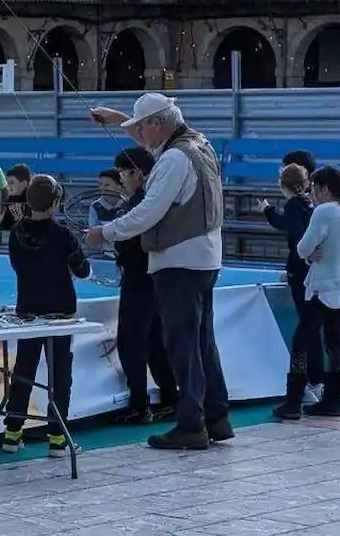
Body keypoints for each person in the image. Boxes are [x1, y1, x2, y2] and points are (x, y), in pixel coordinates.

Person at [87, 93, 233, 451]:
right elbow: (157, 135)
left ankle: (191, 424)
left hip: (178, 263)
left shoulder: (172, 159)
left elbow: (147, 213)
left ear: (155, 124)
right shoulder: (199, 144)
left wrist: (104, 232)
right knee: (203, 343)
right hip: (205, 259)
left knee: (182, 346)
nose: (139, 136)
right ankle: (217, 416)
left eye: (141, 127)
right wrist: (119, 119)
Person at [1, 174, 90, 457]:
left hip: (28, 309)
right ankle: (57, 438)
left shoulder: (16, 232)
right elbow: (83, 270)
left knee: (24, 371)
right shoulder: (63, 235)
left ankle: (12, 433)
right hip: (60, 312)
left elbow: (16, 265)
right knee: (59, 375)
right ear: (54, 204)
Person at [280, 149, 340, 391]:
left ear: (324, 188)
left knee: (302, 341)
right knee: (336, 340)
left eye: (314, 187)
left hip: (323, 286)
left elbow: (302, 248)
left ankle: (299, 392)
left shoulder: (323, 211)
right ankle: (337, 391)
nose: (311, 192)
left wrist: (309, 253)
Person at [111, 146, 179, 425]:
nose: (121, 179)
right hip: (159, 277)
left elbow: (127, 241)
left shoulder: (139, 203)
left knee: (132, 340)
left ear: (136, 173)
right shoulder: (159, 197)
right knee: (156, 340)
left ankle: (139, 404)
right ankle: (170, 397)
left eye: (122, 173)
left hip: (139, 277)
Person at [258, 164, 324, 405]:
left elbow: (293, 230)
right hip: (311, 271)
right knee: (314, 326)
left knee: (306, 329)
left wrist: (267, 210)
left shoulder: (294, 205)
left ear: (283, 185)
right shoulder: (308, 203)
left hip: (301, 271)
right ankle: (319, 378)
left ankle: (308, 381)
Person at [88, 168, 123, 255]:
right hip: (105, 255)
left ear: (119, 186)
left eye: (107, 185)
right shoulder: (95, 207)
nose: (102, 188)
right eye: (100, 184)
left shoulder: (128, 204)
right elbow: (93, 239)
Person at [0, 164, 31, 233]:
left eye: (12, 182)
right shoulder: (6, 199)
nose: (8, 186)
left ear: (24, 184)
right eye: (7, 182)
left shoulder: (31, 202)